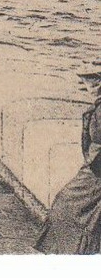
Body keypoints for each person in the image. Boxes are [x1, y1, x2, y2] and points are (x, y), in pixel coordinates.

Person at [36, 72, 101, 254]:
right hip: (94, 169)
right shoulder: (97, 108)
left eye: (94, 82)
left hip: (96, 173)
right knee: (67, 209)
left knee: (68, 208)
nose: (90, 86)